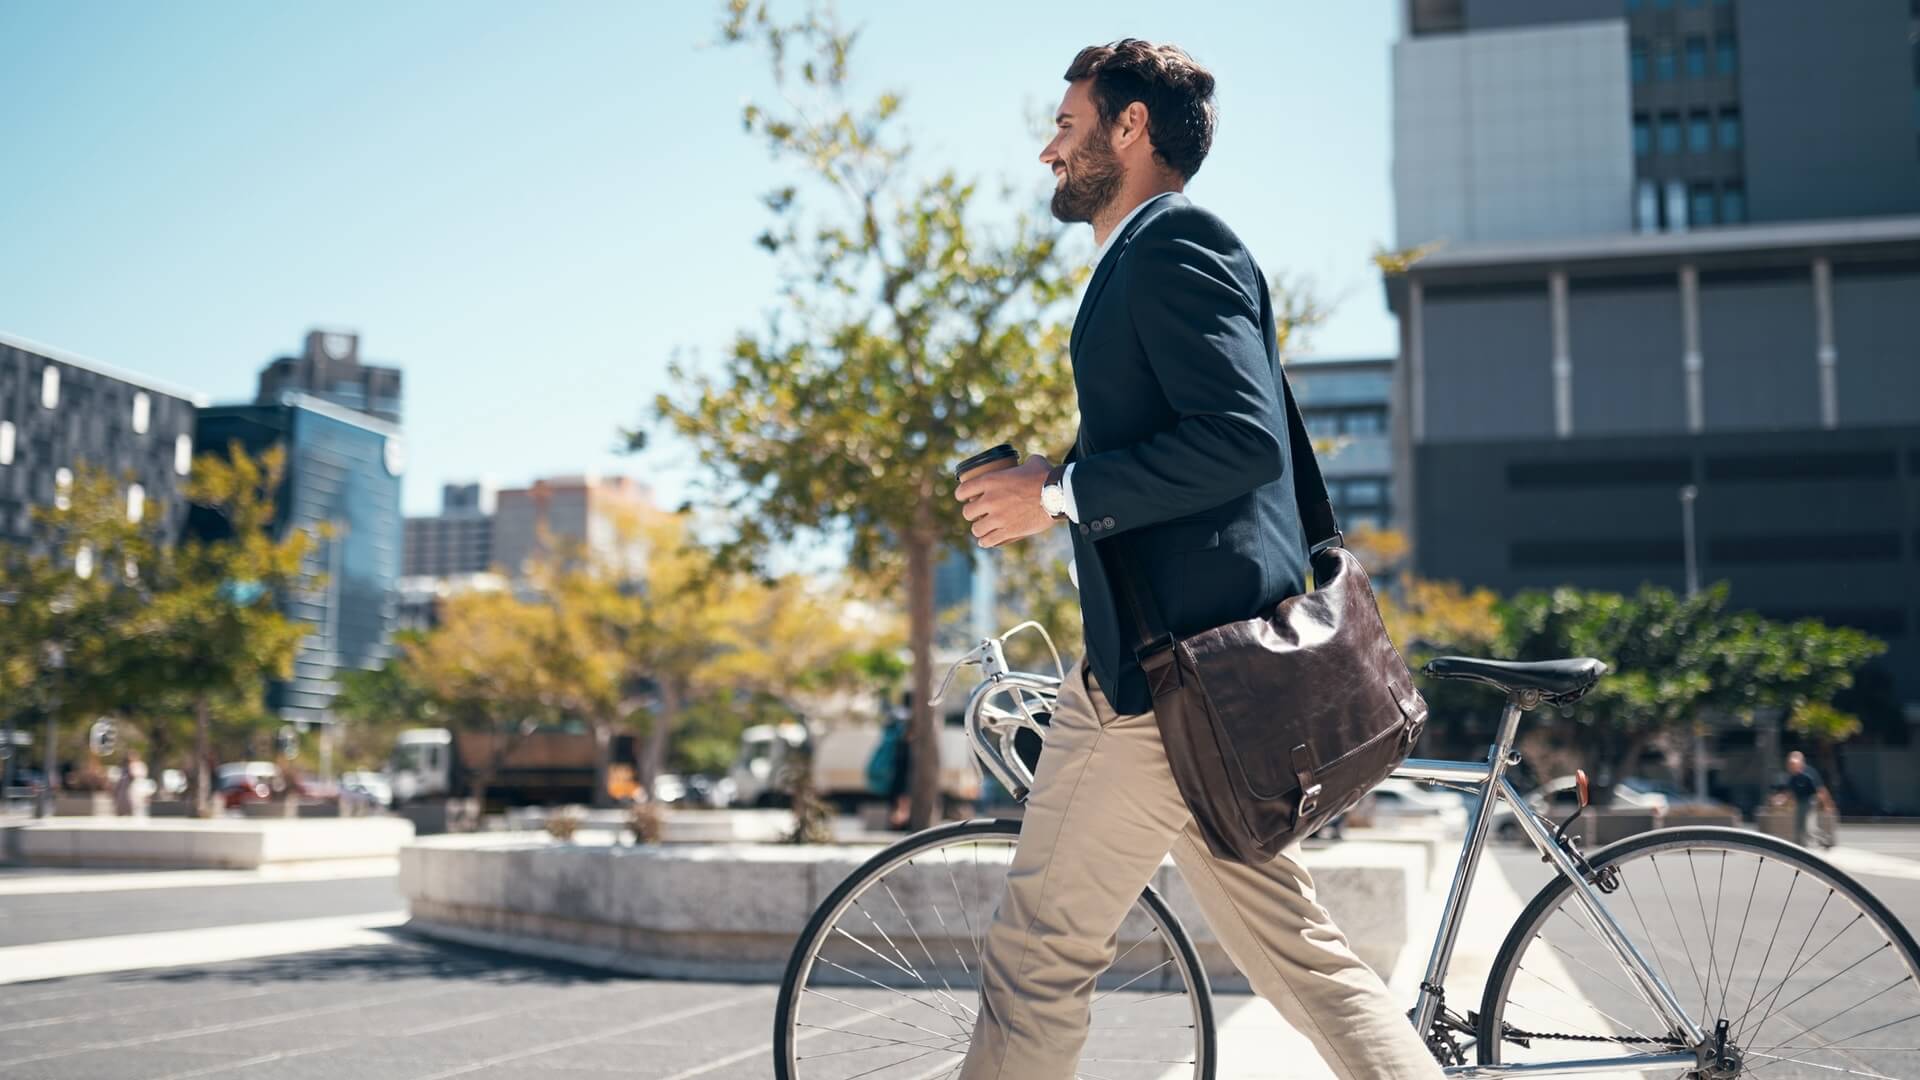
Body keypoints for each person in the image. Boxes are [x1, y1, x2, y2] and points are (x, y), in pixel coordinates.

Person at [951, 39, 1445, 1080]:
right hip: (1206, 682)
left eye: (1068, 123)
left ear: (1130, 128)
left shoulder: (1174, 246)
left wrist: (1057, 493)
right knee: (1305, 964)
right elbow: (1229, 437)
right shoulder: (1159, 257)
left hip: (1165, 682)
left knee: (1039, 955)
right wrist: (1061, 472)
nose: (1050, 150)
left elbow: (1241, 441)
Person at [1785, 751, 1836, 849]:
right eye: (1790, 764)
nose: (1791, 767)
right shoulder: (1793, 776)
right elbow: (1790, 792)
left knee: (1808, 827)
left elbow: (1820, 790)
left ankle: (1821, 841)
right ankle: (1799, 845)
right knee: (1800, 825)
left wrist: (1826, 804)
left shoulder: (1809, 774)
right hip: (1800, 802)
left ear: (1800, 763)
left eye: (1793, 764)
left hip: (1809, 802)